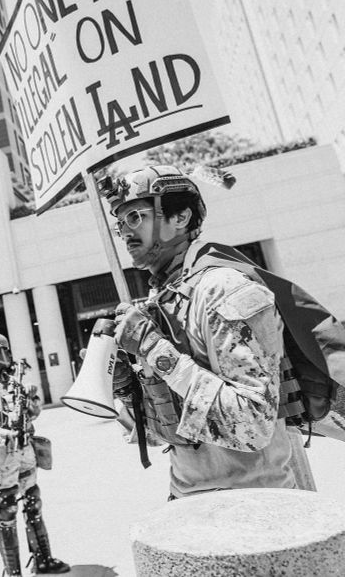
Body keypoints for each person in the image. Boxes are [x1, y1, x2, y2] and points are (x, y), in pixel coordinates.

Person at [98, 165, 314, 500]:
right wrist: (128, 387)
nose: (125, 232)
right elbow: (169, 433)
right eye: (119, 222)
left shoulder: (223, 290)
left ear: (180, 217)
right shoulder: (162, 297)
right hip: (187, 499)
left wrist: (153, 348)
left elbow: (252, 424)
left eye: (135, 217)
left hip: (253, 505)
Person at [0, 333, 70, 576]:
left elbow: (31, 414)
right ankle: (13, 572)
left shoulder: (13, 382)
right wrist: (6, 435)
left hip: (25, 452)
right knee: (7, 507)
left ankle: (43, 560)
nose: (9, 356)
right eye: (6, 351)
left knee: (33, 500)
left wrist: (32, 400)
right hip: (1, 458)